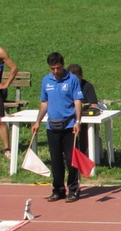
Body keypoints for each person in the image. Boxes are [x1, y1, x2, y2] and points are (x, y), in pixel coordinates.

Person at [31, 53, 84, 203]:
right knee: (55, 160)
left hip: (69, 125)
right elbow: (44, 103)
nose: (55, 71)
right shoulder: (46, 80)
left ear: (63, 64)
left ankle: (73, 189)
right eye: (52, 68)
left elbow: (77, 101)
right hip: (52, 125)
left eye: (58, 68)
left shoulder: (72, 79)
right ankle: (58, 190)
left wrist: (78, 121)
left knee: (71, 159)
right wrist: (37, 121)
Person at [67, 64, 99, 156]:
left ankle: (83, 154)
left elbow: (94, 105)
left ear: (81, 76)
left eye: (76, 78)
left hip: (84, 120)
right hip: (68, 118)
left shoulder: (87, 86)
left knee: (84, 131)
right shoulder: (66, 86)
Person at [0, 45, 19, 160]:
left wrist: (6, 84)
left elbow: (14, 68)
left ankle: (7, 149)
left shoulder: (1, 51)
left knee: (1, 121)